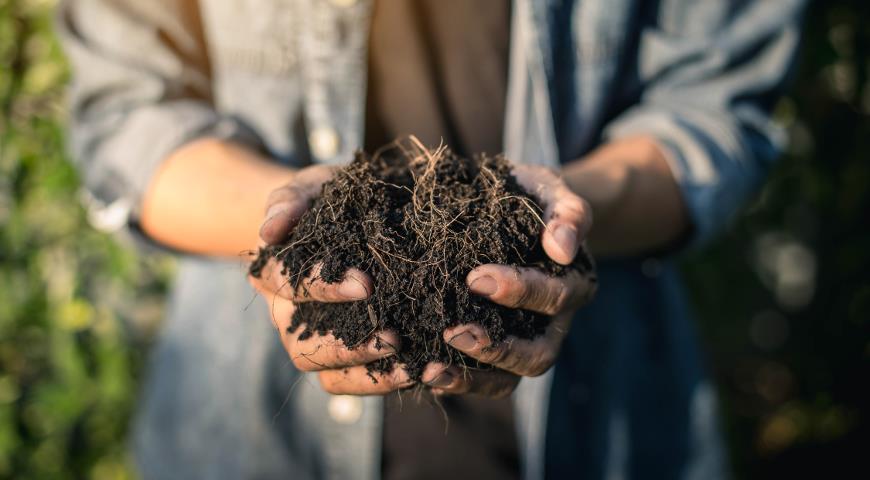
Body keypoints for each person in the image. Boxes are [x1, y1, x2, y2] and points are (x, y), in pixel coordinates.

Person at [58, 0, 806, 478]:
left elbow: (714, 110)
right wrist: (288, 227)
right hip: (257, 438)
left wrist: (570, 218)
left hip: (601, 422)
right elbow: (128, 116)